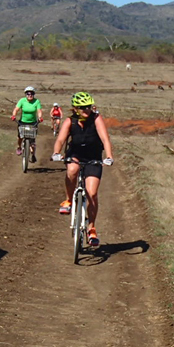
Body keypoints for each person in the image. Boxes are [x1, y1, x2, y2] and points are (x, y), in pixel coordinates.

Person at [52, 92, 114, 247]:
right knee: (72, 170)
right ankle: (68, 200)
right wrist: (56, 153)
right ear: (75, 109)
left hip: (93, 157)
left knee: (92, 193)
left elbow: (105, 139)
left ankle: (91, 228)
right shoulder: (70, 121)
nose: (86, 110)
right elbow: (60, 139)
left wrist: (109, 156)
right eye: (82, 107)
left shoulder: (96, 119)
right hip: (75, 154)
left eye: (88, 107)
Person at [11, 85, 43, 162]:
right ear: (25, 94)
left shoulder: (36, 101)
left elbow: (39, 111)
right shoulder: (22, 101)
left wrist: (40, 117)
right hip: (23, 122)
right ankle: (19, 147)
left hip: (33, 123)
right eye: (28, 94)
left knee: (32, 140)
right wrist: (14, 115)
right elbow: (16, 109)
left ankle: (33, 154)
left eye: (31, 93)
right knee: (20, 136)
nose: (30, 95)